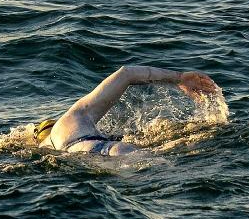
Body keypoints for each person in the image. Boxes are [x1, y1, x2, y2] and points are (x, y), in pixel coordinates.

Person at [34, 66, 219, 156]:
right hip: (115, 150)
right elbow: (126, 73)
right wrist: (179, 78)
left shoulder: (51, 150)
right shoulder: (71, 119)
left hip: (96, 161)